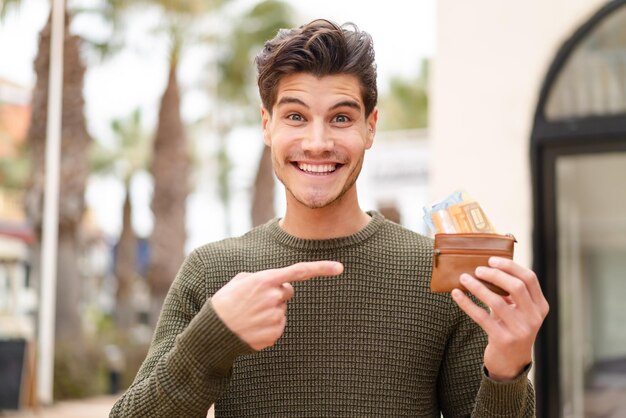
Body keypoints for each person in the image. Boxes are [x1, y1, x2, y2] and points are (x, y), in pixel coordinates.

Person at [110, 19, 549, 417]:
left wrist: (508, 371)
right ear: (267, 125)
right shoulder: (211, 273)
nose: (317, 142)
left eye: (341, 118)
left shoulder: (436, 273)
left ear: (370, 128)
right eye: (296, 116)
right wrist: (212, 339)